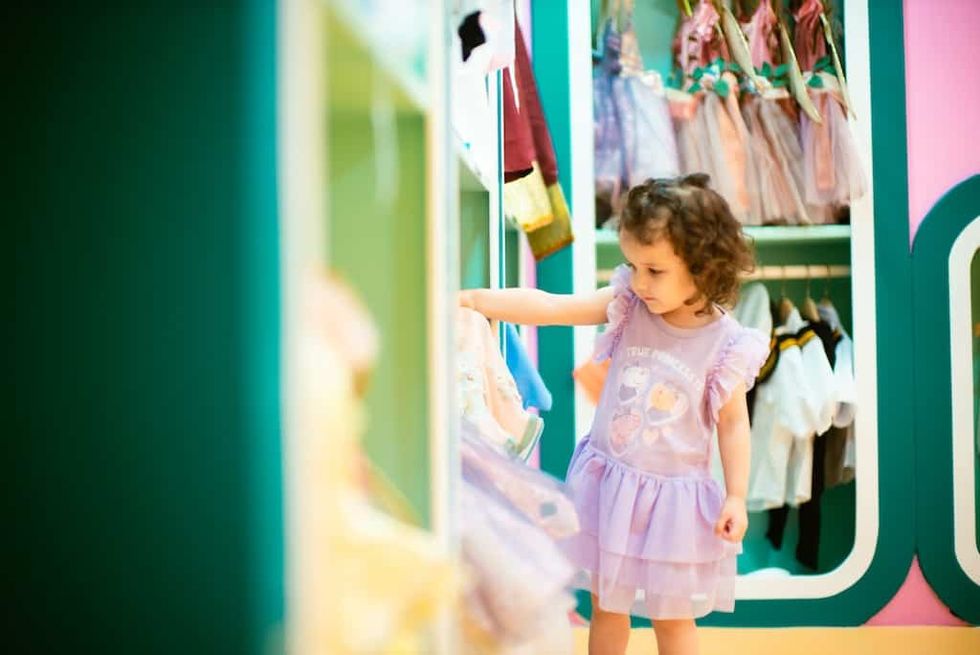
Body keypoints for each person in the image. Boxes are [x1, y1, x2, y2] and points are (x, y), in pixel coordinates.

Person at [459, 174, 768, 655]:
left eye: (655, 270)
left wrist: (736, 495)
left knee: (673, 620)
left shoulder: (727, 346)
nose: (639, 281)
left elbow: (733, 423)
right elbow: (554, 307)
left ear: (704, 267)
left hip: (674, 503)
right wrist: (478, 301)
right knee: (606, 608)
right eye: (632, 266)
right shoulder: (630, 304)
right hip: (611, 485)